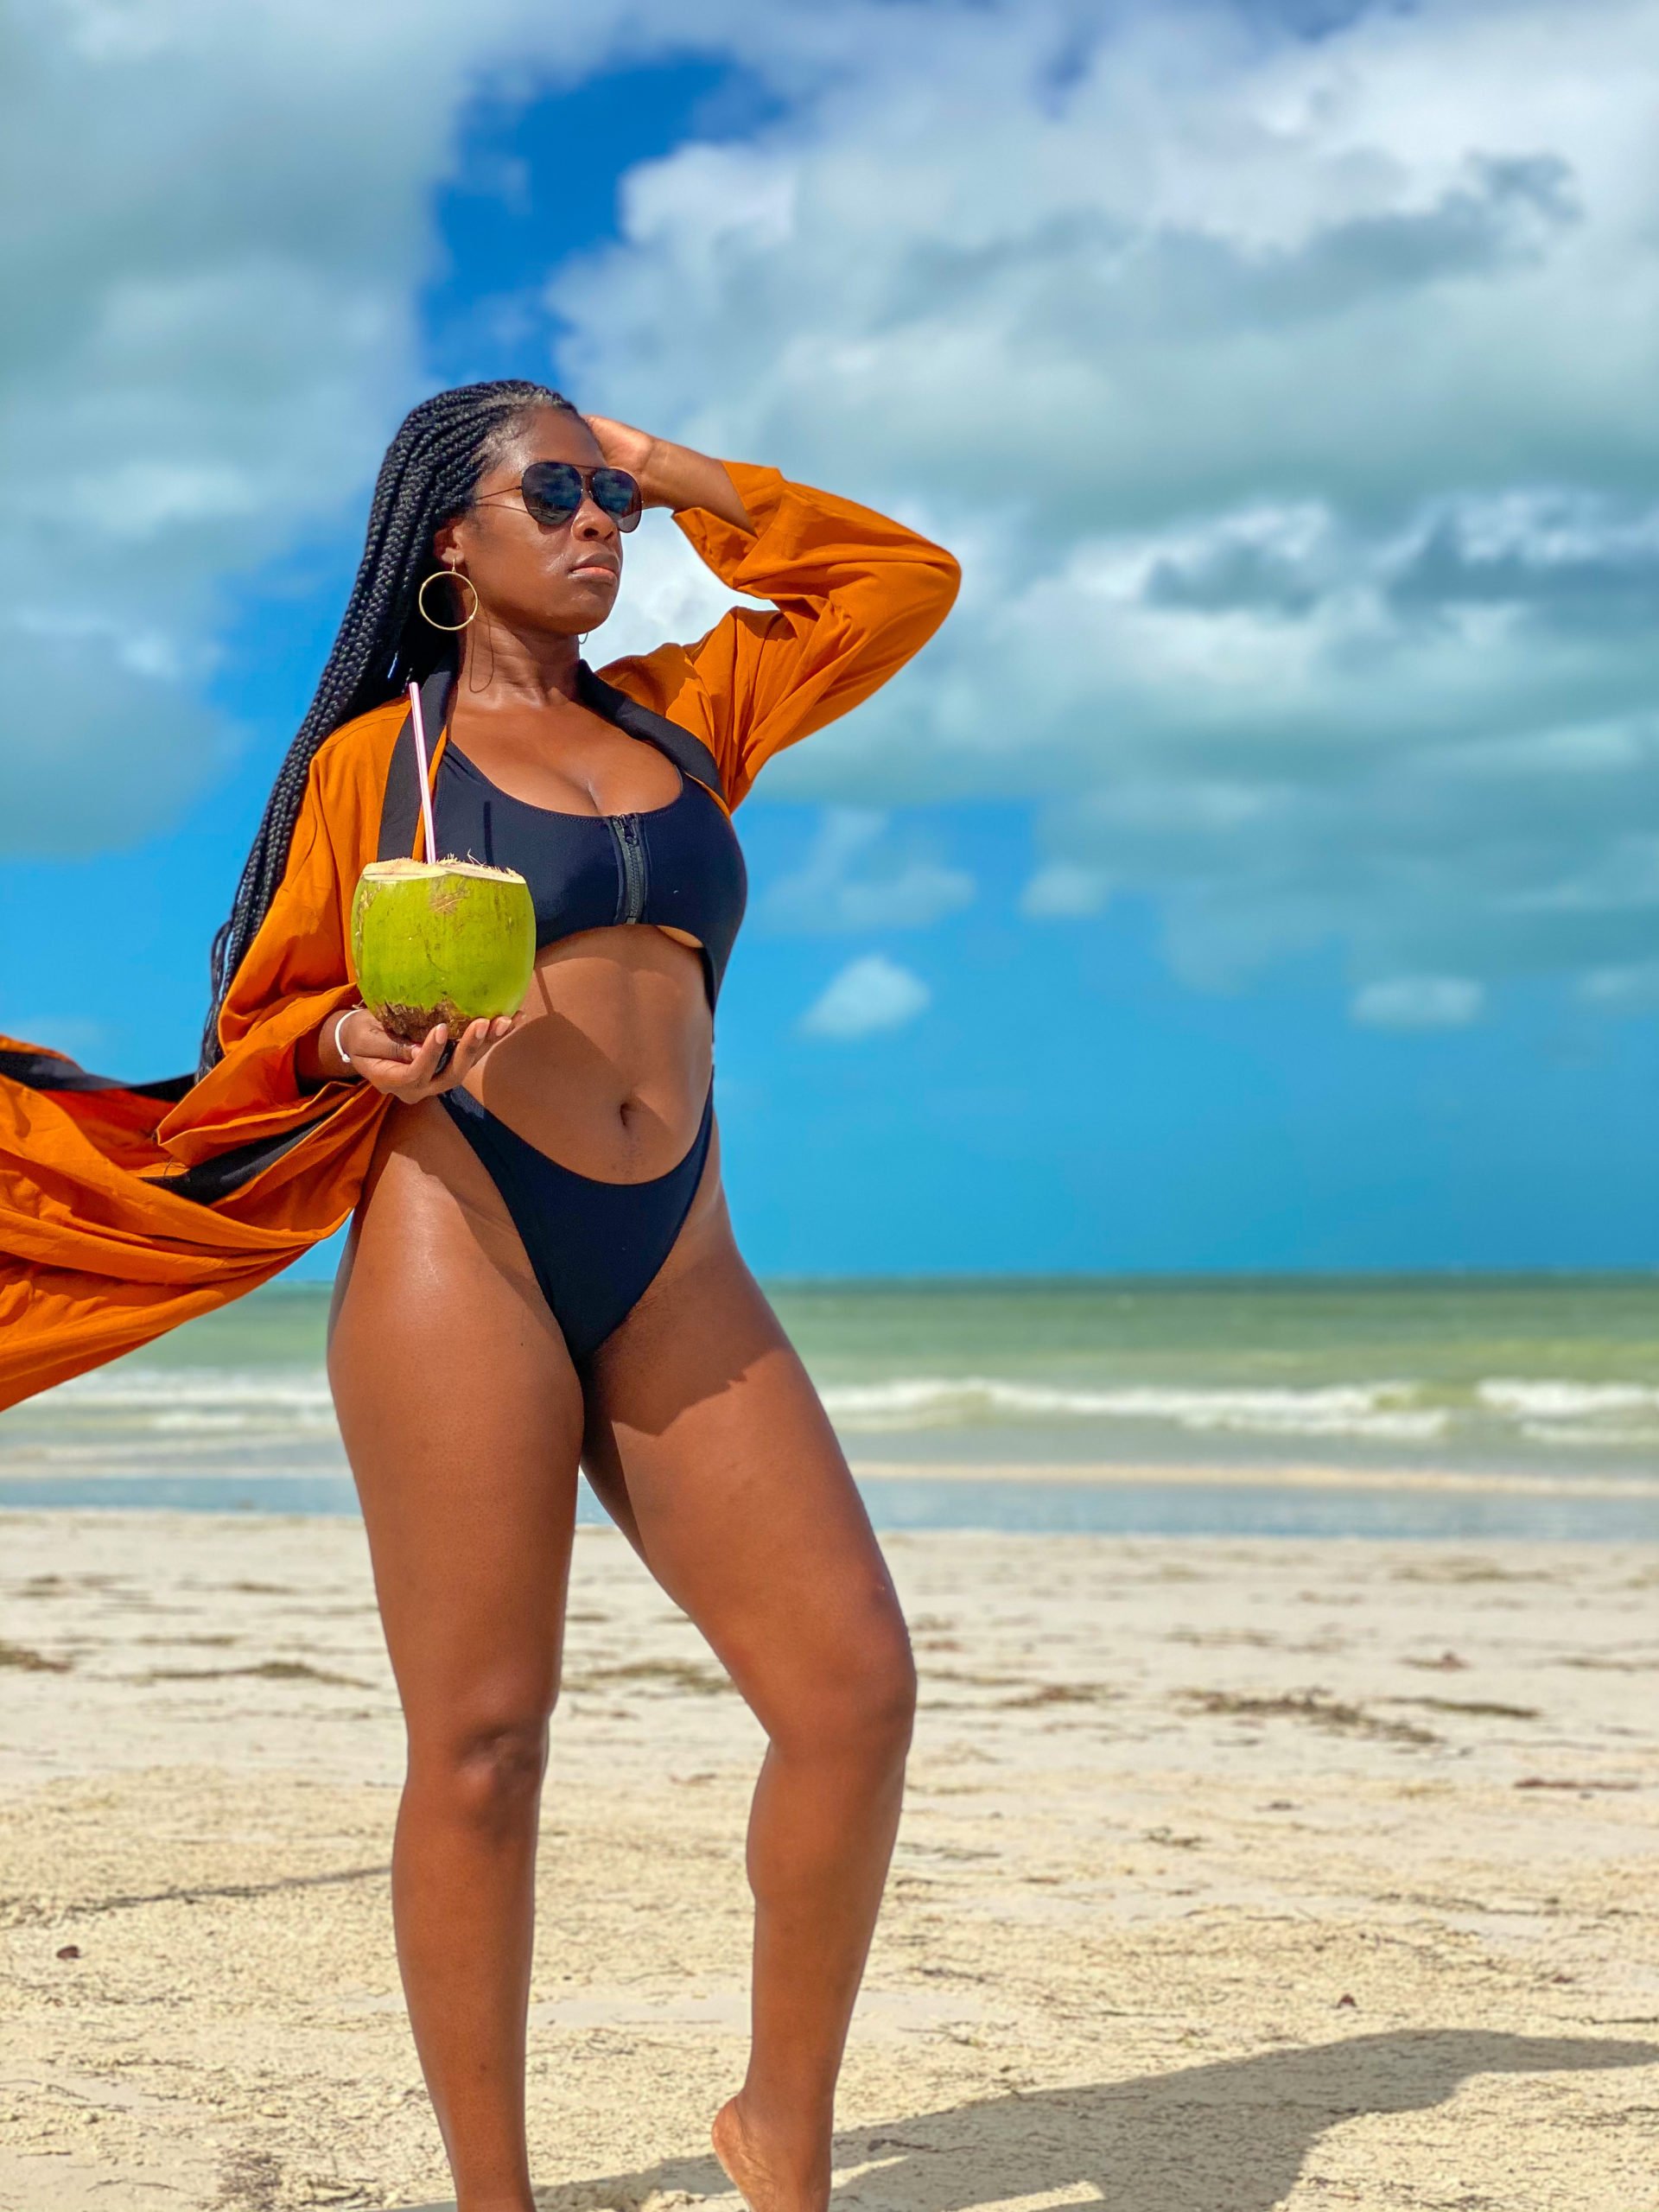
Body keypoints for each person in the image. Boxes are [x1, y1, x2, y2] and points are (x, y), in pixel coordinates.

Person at [0, 379, 959, 2212]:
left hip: (681, 1247)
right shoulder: (386, 764)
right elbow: (276, 1017)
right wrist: (362, 1036)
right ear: (452, 540)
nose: (599, 520)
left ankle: (784, 2127)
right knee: (486, 1738)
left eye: (611, 492)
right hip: (466, 1236)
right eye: (560, 491)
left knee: (853, 1690)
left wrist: (683, 471)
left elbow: (897, 585)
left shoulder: (690, 721)